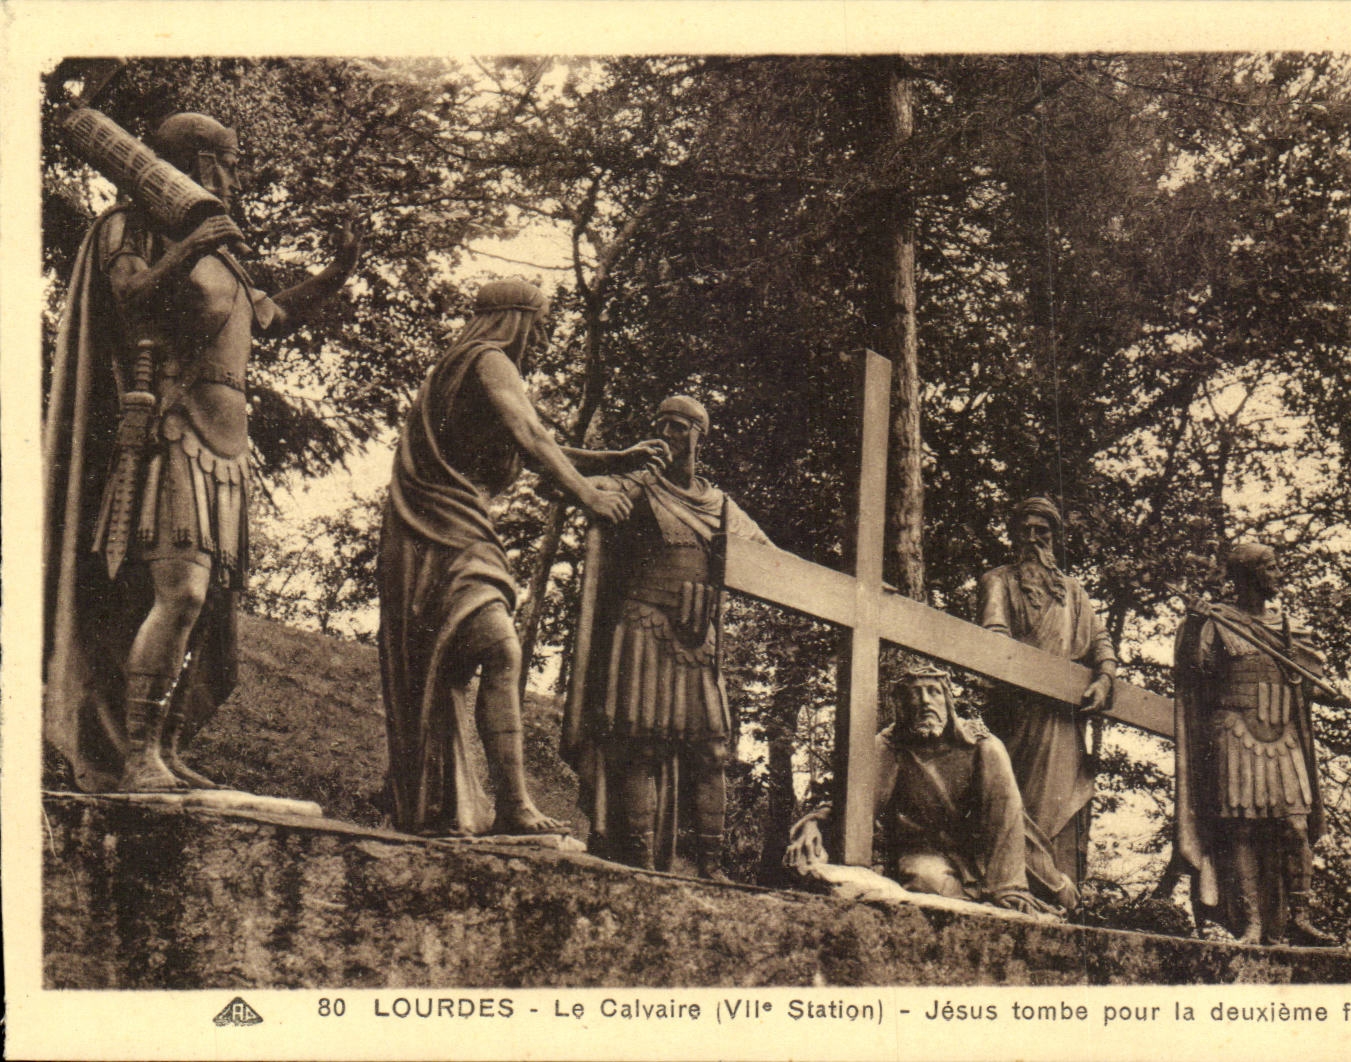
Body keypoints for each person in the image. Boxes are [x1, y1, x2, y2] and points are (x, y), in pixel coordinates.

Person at [45, 112, 360, 793]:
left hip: (226, 446)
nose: (237, 174)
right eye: (230, 159)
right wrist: (186, 249)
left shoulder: (221, 252)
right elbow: (128, 295)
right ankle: (132, 756)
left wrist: (335, 273)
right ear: (195, 158)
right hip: (170, 430)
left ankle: (163, 745)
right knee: (178, 592)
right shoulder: (132, 225)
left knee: (203, 604)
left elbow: (270, 317)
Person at [378, 279, 665, 836]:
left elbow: (532, 446)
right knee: (499, 647)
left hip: (441, 530)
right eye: (542, 325)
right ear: (518, 320)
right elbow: (531, 435)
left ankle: (489, 803)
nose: (543, 339)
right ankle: (513, 806)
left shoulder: (460, 366)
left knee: (480, 655)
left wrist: (611, 458)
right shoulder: (488, 359)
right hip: (444, 529)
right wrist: (589, 495)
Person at [563, 395, 771, 878]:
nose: (668, 435)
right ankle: (638, 860)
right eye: (661, 426)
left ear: (700, 435)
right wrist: (609, 464)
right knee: (641, 745)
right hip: (643, 628)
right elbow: (572, 485)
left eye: (679, 427)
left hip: (699, 641)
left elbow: (773, 562)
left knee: (713, 749)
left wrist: (854, 584)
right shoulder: (638, 487)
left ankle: (711, 865)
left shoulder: (721, 506)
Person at [785, 664, 1077, 915]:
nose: (926, 701)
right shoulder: (889, 747)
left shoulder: (981, 745)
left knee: (1060, 895)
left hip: (999, 852)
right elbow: (857, 803)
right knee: (931, 884)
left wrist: (1008, 886)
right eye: (916, 694)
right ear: (902, 705)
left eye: (934, 692)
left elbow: (1005, 816)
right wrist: (815, 822)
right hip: (924, 850)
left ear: (948, 701)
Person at [1173, 542, 1335, 946]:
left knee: (1296, 825)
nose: (1278, 574)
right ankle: (1252, 923)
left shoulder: (1288, 628)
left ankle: (1299, 916)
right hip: (1234, 729)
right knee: (1242, 830)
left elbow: (1315, 682)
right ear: (1248, 575)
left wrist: (1329, 690)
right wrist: (1194, 626)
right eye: (1271, 567)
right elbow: (1195, 671)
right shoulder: (1219, 620)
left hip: (1282, 734)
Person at [977, 496, 1116, 884]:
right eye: (1026, 532)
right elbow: (994, 639)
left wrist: (1104, 678)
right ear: (1013, 536)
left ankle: (1063, 892)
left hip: (1065, 720)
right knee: (1016, 799)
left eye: (1043, 532)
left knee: (1064, 804)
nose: (1034, 540)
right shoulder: (998, 581)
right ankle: (1019, 885)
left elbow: (1100, 641)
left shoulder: (1072, 591)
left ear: (1055, 538)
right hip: (1019, 714)